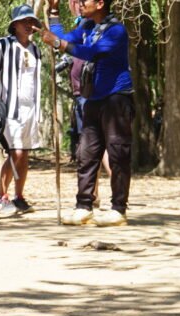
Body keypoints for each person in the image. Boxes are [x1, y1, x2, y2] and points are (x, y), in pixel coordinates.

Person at [40, 0, 134, 226]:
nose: (80, 4)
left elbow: (92, 53)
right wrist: (54, 12)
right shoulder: (87, 27)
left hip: (116, 98)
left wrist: (58, 43)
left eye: (85, 1)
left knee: (118, 153)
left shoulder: (116, 31)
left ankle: (118, 209)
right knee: (86, 154)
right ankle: (83, 207)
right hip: (92, 99)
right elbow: (65, 38)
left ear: (100, 3)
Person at [0, 5, 43, 215]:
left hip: (31, 108)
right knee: (16, 152)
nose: (28, 25)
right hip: (9, 108)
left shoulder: (35, 49)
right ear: (14, 25)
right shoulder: (1, 46)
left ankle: (19, 197)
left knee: (25, 153)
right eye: (24, 21)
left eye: (31, 21)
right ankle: (1, 198)